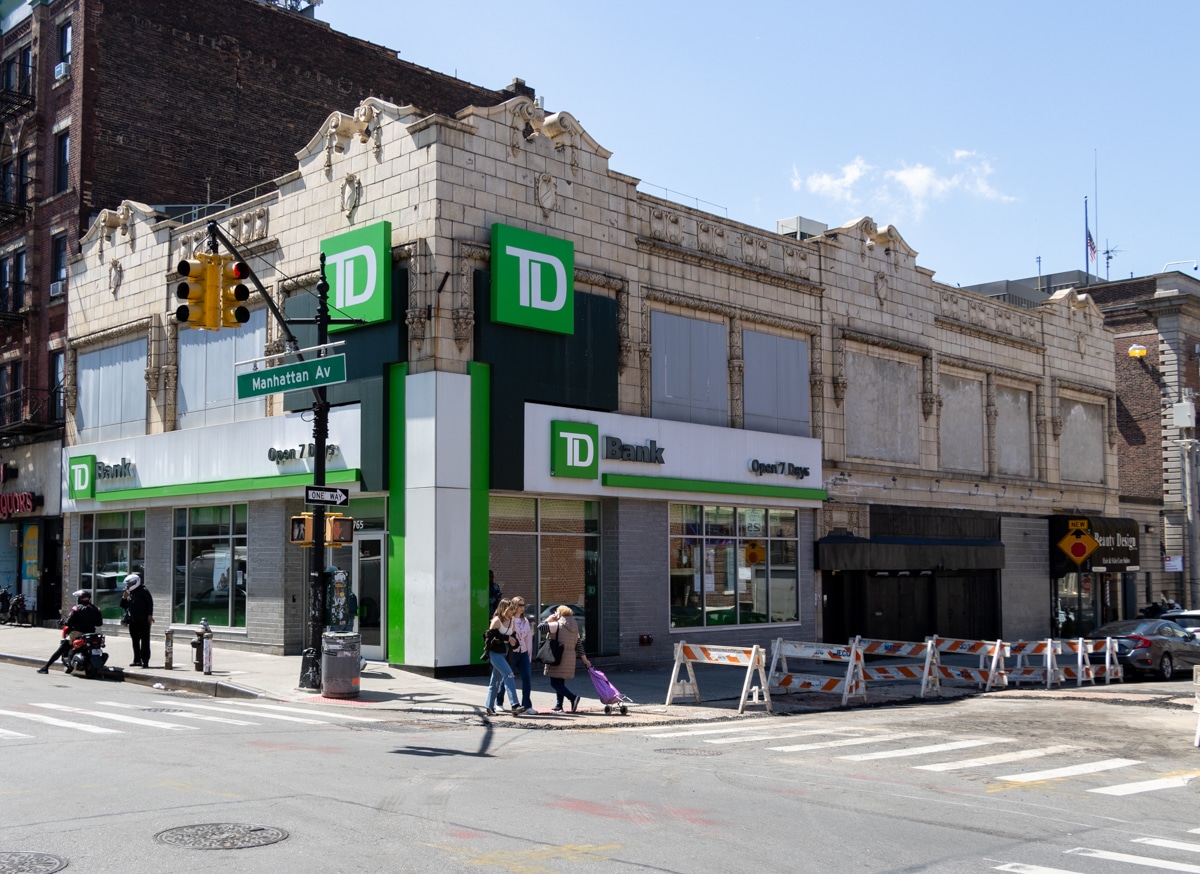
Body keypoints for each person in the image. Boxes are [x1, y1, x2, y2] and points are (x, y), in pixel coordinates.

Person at [540, 605, 591, 713]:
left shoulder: (556, 625)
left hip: (556, 656)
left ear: (559, 614)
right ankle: (559, 705)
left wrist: (548, 620)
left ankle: (572, 697)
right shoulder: (574, 627)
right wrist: (585, 660)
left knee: (554, 683)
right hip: (569, 658)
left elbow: (540, 627)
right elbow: (579, 645)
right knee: (560, 681)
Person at [37, 590, 103, 674]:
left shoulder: (76, 608)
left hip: (77, 633)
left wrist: (63, 622)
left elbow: (69, 622)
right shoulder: (96, 609)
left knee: (61, 649)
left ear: (80, 599)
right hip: (91, 634)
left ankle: (46, 667)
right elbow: (99, 623)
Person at [482, 598, 525, 716]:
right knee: (509, 674)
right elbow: (488, 639)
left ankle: (489, 707)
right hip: (495, 653)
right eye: (510, 609)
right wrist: (507, 639)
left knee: (495, 681)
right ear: (504, 609)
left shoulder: (512, 621)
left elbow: (514, 638)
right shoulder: (496, 621)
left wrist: (514, 642)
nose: (512, 611)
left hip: (506, 652)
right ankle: (515, 705)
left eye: (513, 609)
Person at [499, 597, 536, 714]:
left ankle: (527, 705)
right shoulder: (510, 620)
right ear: (514, 606)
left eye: (523, 605)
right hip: (512, 653)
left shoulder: (525, 621)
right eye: (520, 605)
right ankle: (499, 702)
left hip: (523, 652)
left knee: (527, 678)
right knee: (507, 676)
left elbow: (528, 639)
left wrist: (529, 655)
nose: (522, 607)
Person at [120, 572, 154, 668]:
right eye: (128, 584)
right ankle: (137, 660)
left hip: (143, 620)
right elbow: (123, 605)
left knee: (145, 641)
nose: (128, 585)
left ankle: (145, 660)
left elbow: (150, 604)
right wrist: (124, 598)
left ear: (136, 582)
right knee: (135, 641)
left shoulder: (144, 591)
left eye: (130, 583)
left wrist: (149, 615)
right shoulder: (129, 592)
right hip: (133, 620)